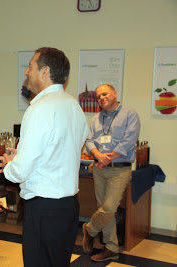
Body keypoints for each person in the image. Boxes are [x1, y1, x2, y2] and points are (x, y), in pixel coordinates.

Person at [0, 47, 89, 267]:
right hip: (68, 206)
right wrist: (24, 155)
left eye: (30, 66)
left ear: (45, 71)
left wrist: (10, 164)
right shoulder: (73, 105)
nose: (26, 72)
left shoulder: (39, 109)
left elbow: (21, 171)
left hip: (44, 208)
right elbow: (63, 150)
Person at [83, 84, 140, 262]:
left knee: (109, 207)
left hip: (120, 169)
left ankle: (90, 229)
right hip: (100, 168)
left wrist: (108, 158)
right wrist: (99, 156)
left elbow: (128, 141)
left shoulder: (130, 115)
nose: (101, 98)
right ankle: (111, 248)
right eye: (98, 96)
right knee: (104, 209)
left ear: (115, 94)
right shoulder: (95, 119)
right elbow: (90, 141)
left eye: (105, 94)